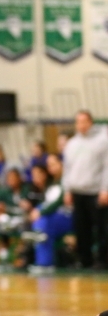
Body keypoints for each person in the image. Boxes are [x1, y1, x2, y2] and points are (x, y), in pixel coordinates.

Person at [62, 110, 108, 269]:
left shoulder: (102, 140)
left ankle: (103, 260)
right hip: (77, 192)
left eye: (84, 121)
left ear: (90, 122)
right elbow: (67, 169)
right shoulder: (72, 143)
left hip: (96, 191)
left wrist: (105, 189)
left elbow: (106, 167)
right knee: (81, 229)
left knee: (102, 229)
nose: (81, 125)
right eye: (78, 121)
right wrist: (67, 189)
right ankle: (84, 259)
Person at [24, 155, 73, 273]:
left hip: (66, 216)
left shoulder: (67, 180)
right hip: (51, 217)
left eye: (54, 164)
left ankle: (46, 263)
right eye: (49, 165)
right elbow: (46, 202)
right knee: (44, 224)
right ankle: (42, 259)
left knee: (44, 223)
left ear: (61, 163)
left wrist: (40, 211)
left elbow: (58, 201)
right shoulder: (50, 184)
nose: (51, 168)